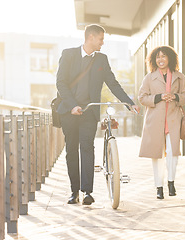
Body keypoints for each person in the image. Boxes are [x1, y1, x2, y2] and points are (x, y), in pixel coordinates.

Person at [56, 24, 140, 205]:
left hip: (89, 111)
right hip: (69, 112)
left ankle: (87, 192)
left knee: (87, 147)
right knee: (72, 150)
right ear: (91, 37)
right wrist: (72, 106)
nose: (103, 43)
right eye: (101, 39)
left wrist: (129, 103)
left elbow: (113, 83)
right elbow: (61, 83)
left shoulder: (102, 59)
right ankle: (74, 191)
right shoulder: (68, 54)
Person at [138, 46, 185, 199]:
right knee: (156, 155)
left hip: (173, 119)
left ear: (170, 58)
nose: (160, 60)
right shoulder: (149, 77)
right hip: (155, 120)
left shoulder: (179, 77)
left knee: (173, 153)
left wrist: (174, 96)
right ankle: (159, 187)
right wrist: (158, 97)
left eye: (163, 56)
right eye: (157, 57)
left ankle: (171, 182)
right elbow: (142, 98)